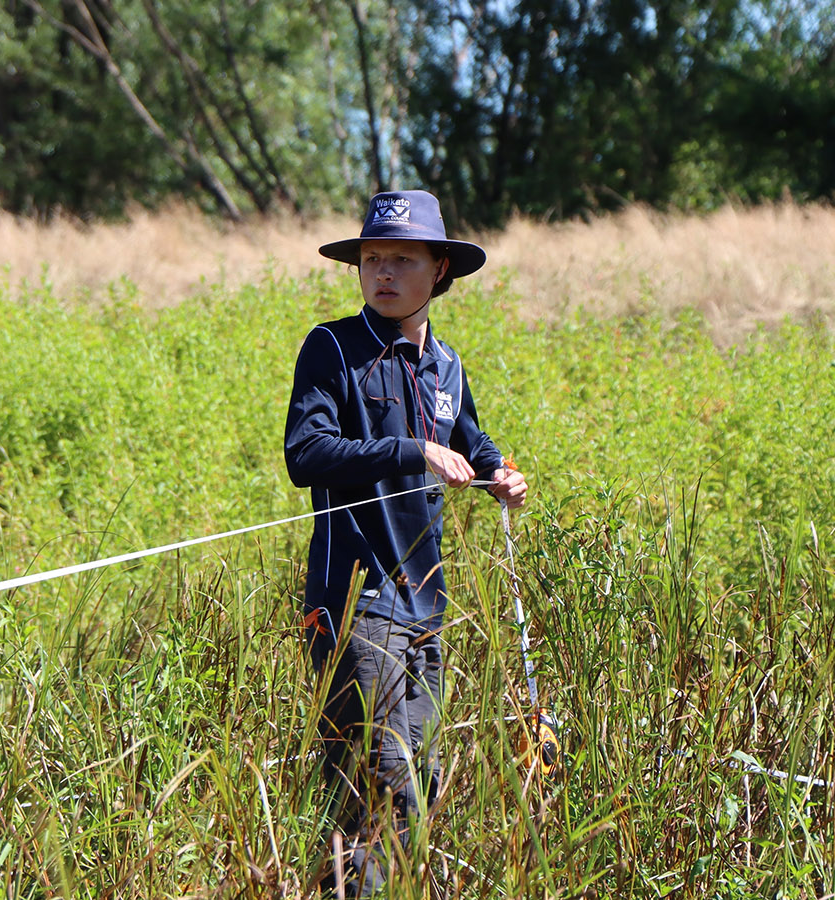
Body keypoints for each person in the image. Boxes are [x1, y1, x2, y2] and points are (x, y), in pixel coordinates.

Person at [283, 189, 527, 894]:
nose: (383, 272)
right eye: (371, 259)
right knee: (380, 784)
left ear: (440, 271)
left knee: (417, 779)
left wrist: (497, 474)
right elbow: (307, 453)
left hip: (427, 608)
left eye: (402, 259)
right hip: (355, 605)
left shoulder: (446, 365)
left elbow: (471, 441)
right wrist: (411, 451)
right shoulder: (331, 347)